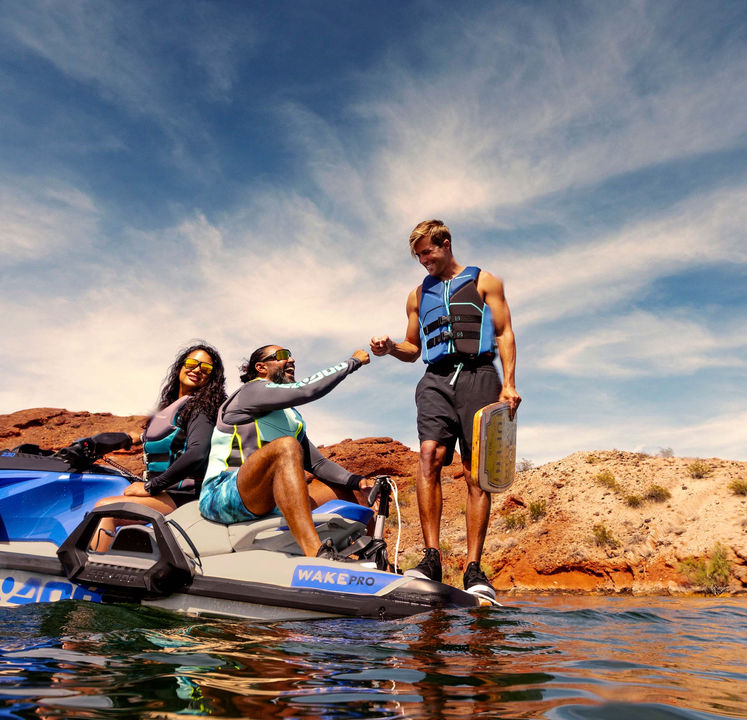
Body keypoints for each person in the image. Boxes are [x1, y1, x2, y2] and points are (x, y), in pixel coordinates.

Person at [370, 219, 520, 600]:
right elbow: (412, 349)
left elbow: (503, 332)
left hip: (479, 375)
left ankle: (473, 568)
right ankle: (432, 557)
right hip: (435, 379)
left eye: (427, 252)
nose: (423, 261)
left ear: (445, 244)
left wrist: (509, 383)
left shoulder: (485, 282)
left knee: (475, 472)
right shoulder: (418, 295)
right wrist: (390, 347)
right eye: (418, 256)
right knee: (429, 456)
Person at [199, 344, 373, 559]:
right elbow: (306, 389)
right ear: (261, 367)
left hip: (269, 500)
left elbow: (317, 464)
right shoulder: (251, 391)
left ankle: (375, 563)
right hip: (222, 494)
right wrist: (352, 362)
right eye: (281, 356)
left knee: (354, 492)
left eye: (292, 357)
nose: (290, 360)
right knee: (286, 446)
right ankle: (315, 554)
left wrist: (358, 482)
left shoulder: (292, 416)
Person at [90, 342, 227, 551]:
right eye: (192, 363)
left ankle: (91, 578)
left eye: (206, 368)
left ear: (211, 377)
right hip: (166, 491)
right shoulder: (172, 406)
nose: (197, 370)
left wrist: (151, 486)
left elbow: (198, 452)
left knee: (105, 509)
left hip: (184, 496)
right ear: (181, 366)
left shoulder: (201, 407)